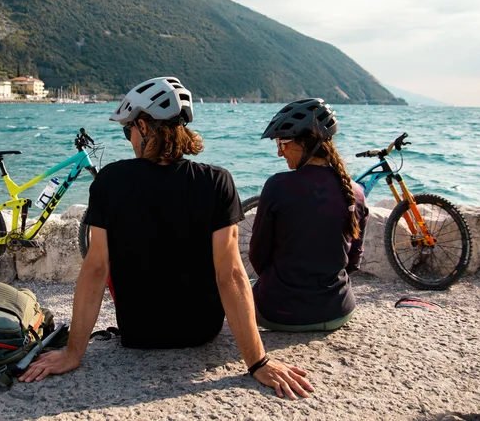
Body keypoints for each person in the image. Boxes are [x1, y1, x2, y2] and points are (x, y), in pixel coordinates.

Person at [21, 77, 314, 399]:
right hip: (202, 331)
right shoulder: (217, 181)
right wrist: (258, 361)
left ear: (144, 126)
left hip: (139, 332)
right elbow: (230, 274)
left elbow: (95, 269)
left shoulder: (111, 181)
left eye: (127, 130)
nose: (128, 138)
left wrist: (72, 354)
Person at [250, 99, 368, 332]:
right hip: (338, 311)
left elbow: (258, 256)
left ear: (304, 143)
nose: (279, 153)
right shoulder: (356, 192)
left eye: (282, 144)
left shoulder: (277, 186)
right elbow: (354, 260)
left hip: (280, 314)